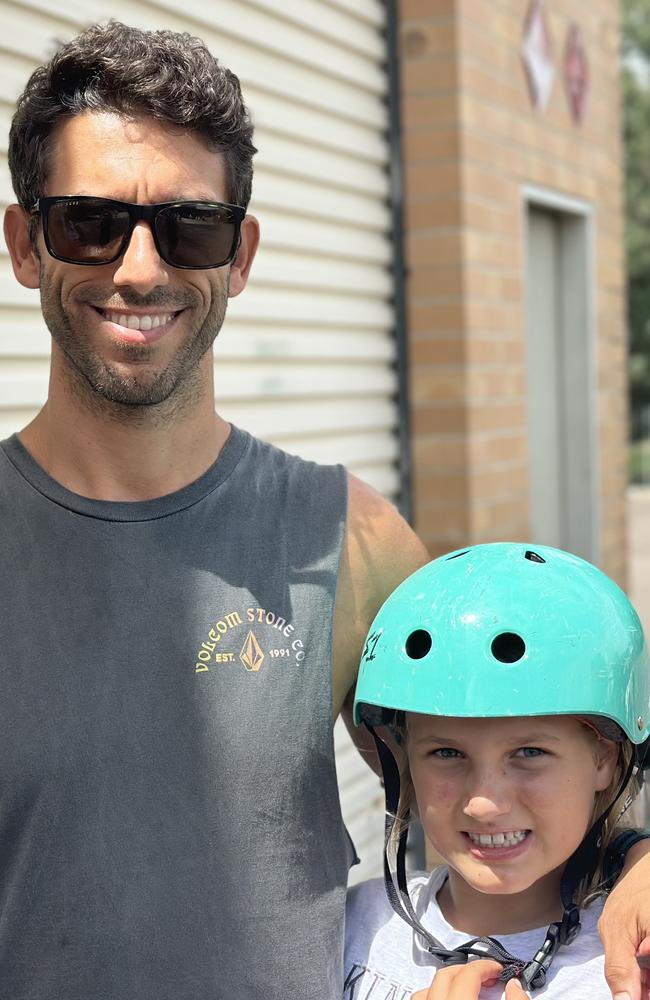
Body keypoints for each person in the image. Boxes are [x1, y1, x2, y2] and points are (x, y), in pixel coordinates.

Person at [0, 19, 648, 1000]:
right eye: (89, 222)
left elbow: (520, 775)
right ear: (23, 241)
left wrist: (638, 863)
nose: (139, 268)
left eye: (190, 225)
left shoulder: (350, 542)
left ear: (241, 253)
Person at [347, 543, 650, 1000]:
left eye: (528, 752)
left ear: (605, 758)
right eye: (447, 753)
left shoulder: (629, 966)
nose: (485, 803)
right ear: (404, 756)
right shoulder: (353, 927)